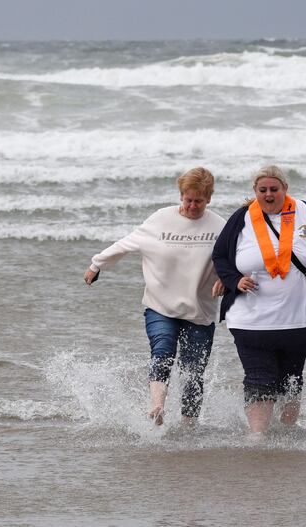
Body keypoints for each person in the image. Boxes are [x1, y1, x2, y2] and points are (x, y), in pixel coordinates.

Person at [83, 167, 226, 426]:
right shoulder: (161, 220)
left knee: (194, 371)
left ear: (209, 199)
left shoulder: (219, 226)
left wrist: (226, 280)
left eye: (199, 201)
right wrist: (97, 264)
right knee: (162, 350)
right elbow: (127, 243)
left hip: (200, 310)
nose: (193, 206)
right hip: (160, 304)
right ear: (181, 196)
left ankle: (188, 427)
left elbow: (234, 259)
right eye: (188, 200)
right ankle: (157, 406)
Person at [212, 165, 306, 436]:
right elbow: (220, 257)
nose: (269, 195)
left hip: (302, 320)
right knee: (259, 378)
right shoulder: (242, 218)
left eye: (274, 189)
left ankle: (286, 438)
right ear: (255, 192)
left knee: (291, 378)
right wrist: (234, 280)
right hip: (251, 321)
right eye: (263, 190)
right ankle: (259, 439)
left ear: (285, 189)